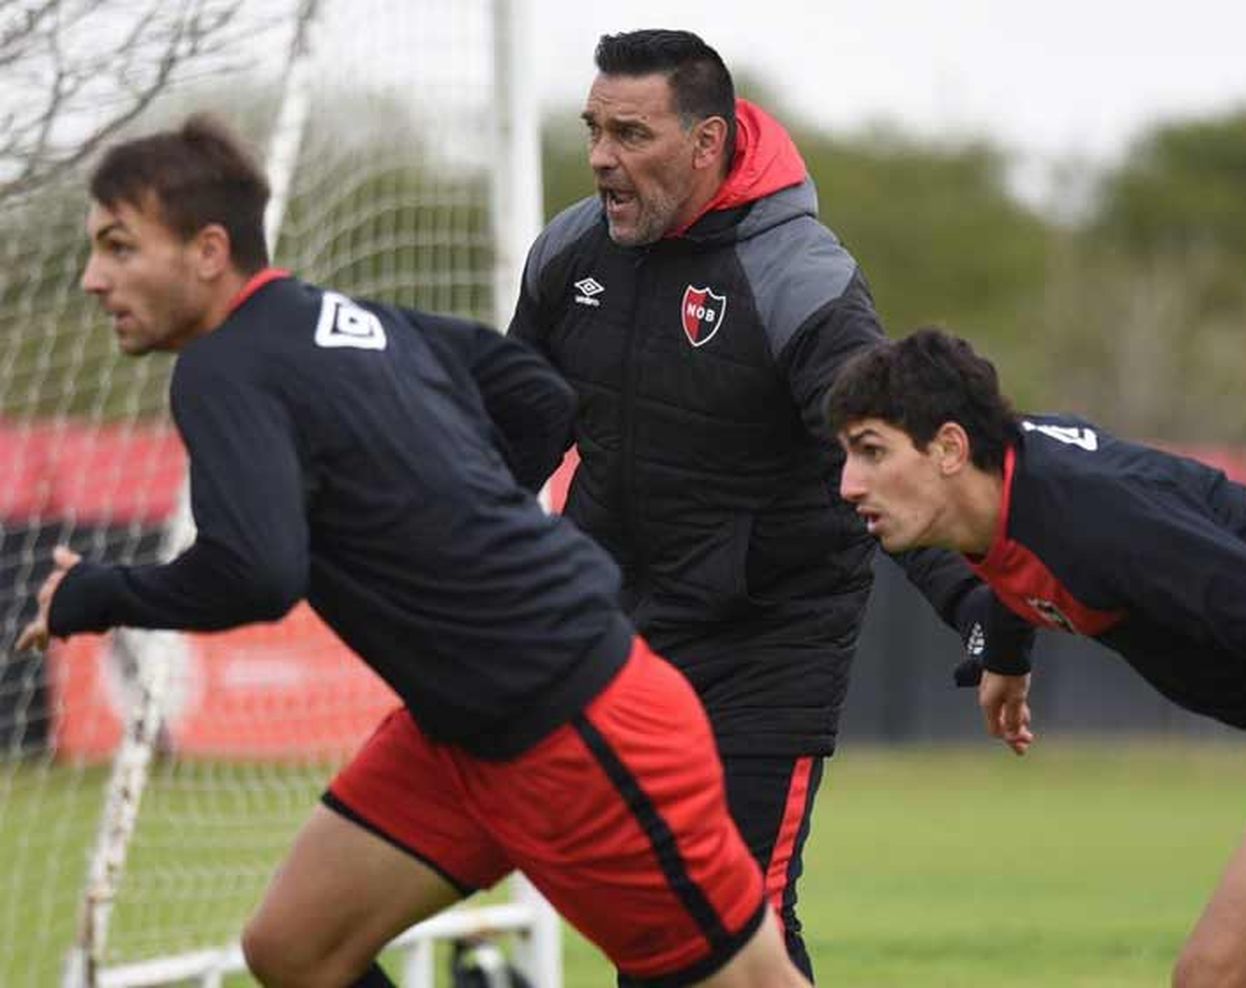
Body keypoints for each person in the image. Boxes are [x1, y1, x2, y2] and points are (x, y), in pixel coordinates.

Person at [15, 115, 814, 988]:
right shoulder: (354, 320)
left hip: (580, 726)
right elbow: (537, 396)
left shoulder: (221, 366)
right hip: (455, 737)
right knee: (295, 949)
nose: (95, 279)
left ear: (208, 250)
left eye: (119, 248)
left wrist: (98, 594)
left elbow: (258, 572)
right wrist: (458, 510)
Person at [507, 30, 1023, 980]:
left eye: (629, 133)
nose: (600, 159)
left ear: (707, 144)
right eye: (593, 129)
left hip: (768, 638)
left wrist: (974, 604)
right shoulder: (568, 249)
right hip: (615, 627)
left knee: (740, 917)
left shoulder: (801, 277)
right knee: (653, 915)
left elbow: (888, 461)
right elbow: (514, 437)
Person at [825, 327, 1246, 986]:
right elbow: (1015, 555)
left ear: (948, 447)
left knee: (1218, 976)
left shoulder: (1095, 517)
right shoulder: (1010, 484)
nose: (850, 483)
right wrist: (1007, 656)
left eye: (872, 452)